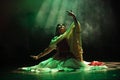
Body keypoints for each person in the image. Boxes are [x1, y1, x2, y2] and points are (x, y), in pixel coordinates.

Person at [21, 11, 107, 72]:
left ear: (65, 28)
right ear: (57, 30)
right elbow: (48, 49)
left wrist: (74, 17)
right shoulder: (55, 39)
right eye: (59, 26)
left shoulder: (68, 36)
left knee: (71, 65)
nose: (61, 27)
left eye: (62, 26)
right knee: (43, 64)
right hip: (59, 58)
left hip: (69, 57)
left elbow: (76, 28)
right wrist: (38, 56)